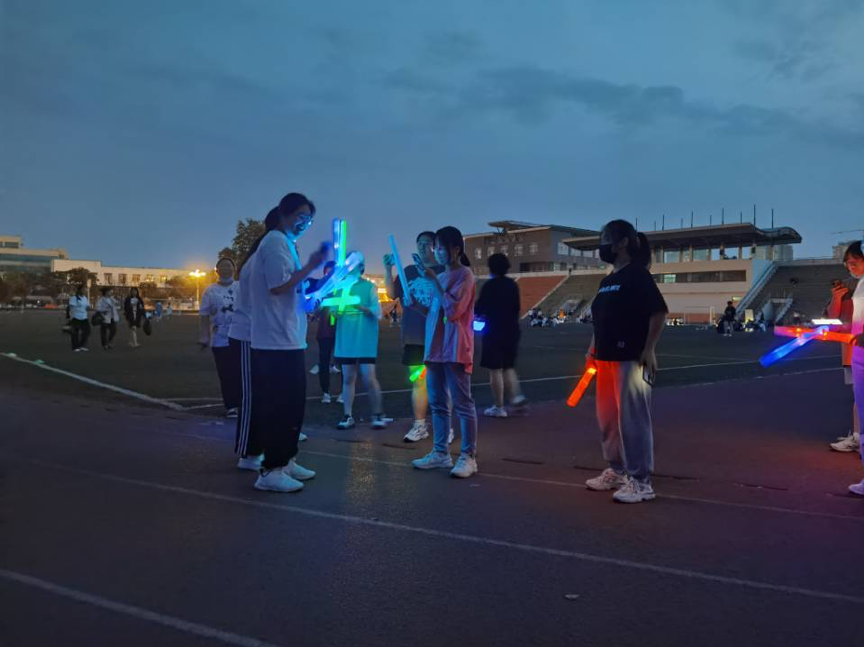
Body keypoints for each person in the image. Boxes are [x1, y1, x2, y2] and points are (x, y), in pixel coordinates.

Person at [584, 220, 668, 503]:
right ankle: (618, 470)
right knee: (607, 419)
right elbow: (601, 320)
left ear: (622, 243)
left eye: (606, 239)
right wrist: (592, 349)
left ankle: (641, 482)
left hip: (631, 358)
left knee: (633, 421)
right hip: (605, 359)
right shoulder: (607, 281)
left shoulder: (637, 275)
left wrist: (649, 349)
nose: (602, 245)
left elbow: (658, 312)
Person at [248, 192, 324, 493]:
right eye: (301, 217)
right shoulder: (275, 242)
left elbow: (291, 291)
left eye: (309, 219)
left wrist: (310, 299)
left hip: (288, 338)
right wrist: (310, 266)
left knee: (292, 406)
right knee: (280, 407)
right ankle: (271, 470)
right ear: (284, 213)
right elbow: (278, 285)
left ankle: (286, 460)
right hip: (275, 341)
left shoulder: (286, 244)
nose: (305, 223)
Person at [411, 226, 478, 479]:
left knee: (462, 404)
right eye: (435, 248)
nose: (436, 252)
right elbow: (435, 313)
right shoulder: (439, 276)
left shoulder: (465, 275)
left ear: (456, 249)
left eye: (441, 248)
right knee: (438, 403)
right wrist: (415, 305)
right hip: (436, 348)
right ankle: (440, 452)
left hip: (455, 347)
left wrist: (433, 281)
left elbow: (453, 311)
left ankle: (468, 456)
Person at [384, 231, 452, 444]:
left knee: (442, 383)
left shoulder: (444, 270)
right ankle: (420, 425)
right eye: (419, 243)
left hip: (439, 336)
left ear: (436, 247)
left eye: (427, 243)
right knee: (418, 381)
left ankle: (446, 426)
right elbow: (391, 294)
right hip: (414, 337)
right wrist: (388, 269)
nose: (423, 246)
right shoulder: (409, 271)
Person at [332, 253, 387, 429]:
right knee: (348, 377)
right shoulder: (339, 287)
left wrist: (361, 307)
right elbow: (334, 312)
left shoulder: (369, 287)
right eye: (348, 263)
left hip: (365, 339)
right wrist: (335, 312)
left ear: (361, 267)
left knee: (369, 378)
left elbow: (377, 311)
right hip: (346, 339)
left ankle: (378, 414)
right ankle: (347, 415)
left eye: (354, 263)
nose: (350, 267)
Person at [475, 253, 526, 418]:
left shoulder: (489, 286)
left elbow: (479, 309)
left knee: (495, 369)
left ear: (491, 268)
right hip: (512, 330)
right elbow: (516, 308)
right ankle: (516, 396)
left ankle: (499, 407)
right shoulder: (513, 285)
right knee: (508, 366)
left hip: (493, 331)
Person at [199, 257, 241, 418]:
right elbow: (204, 314)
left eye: (228, 265)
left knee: (241, 372)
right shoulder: (210, 290)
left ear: (234, 268)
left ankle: (243, 402)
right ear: (216, 270)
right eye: (222, 266)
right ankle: (231, 405)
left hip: (241, 336)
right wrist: (205, 335)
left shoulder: (241, 287)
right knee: (226, 373)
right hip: (220, 338)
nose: (225, 268)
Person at [827, 275, 860, 453]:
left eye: (855, 262)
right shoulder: (847, 286)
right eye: (848, 263)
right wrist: (836, 298)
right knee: (858, 394)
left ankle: (858, 437)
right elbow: (832, 319)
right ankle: (857, 436)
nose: (851, 267)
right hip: (852, 350)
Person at [312, 261, 339, 403]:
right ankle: (326, 392)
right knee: (323, 363)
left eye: (332, 272)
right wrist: (320, 305)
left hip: (340, 331)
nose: (330, 275)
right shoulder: (321, 290)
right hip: (324, 332)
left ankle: (344, 392)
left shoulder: (341, 289)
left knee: (344, 363)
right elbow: (314, 311)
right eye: (327, 273)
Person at [66, 285, 90, 352]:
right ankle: (75, 347)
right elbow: (70, 307)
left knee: (87, 331)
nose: (85, 291)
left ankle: (81, 345)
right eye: (83, 289)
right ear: (79, 290)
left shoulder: (85, 298)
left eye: (85, 290)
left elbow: (87, 306)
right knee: (75, 333)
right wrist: (69, 316)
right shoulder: (74, 298)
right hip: (76, 317)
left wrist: (88, 308)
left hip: (84, 317)